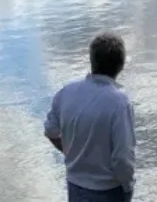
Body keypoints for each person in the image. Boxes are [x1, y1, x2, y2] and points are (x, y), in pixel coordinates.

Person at [43, 32, 136, 202]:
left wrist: (70, 151)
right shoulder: (120, 103)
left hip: (75, 187)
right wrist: (128, 187)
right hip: (108, 191)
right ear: (121, 65)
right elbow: (122, 157)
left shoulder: (67, 92)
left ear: (92, 61)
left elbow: (50, 130)